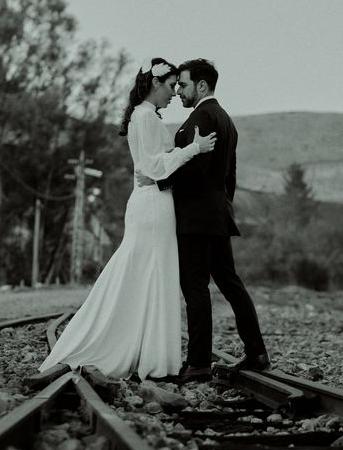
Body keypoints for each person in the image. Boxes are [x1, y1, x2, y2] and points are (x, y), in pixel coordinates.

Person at [37, 58, 216, 381]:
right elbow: (153, 167)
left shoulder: (144, 116)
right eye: (171, 85)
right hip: (153, 207)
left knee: (147, 274)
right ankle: (150, 356)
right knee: (149, 273)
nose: (174, 93)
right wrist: (193, 149)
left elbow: (151, 166)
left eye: (179, 85)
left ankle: (146, 351)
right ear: (156, 84)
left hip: (153, 203)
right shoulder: (145, 117)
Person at [138, 59, 270, 382]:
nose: (179, 91)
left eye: (182, 85)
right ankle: (257, 352)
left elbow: (194, 170)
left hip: (196, 218)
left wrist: (161, 182)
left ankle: (198, 362)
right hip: (218, 215)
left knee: (195, 286)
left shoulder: (202, 117)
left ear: (201, 85)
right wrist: (222, 206)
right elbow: (230, 176)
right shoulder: (227, 121)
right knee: (229, 282)